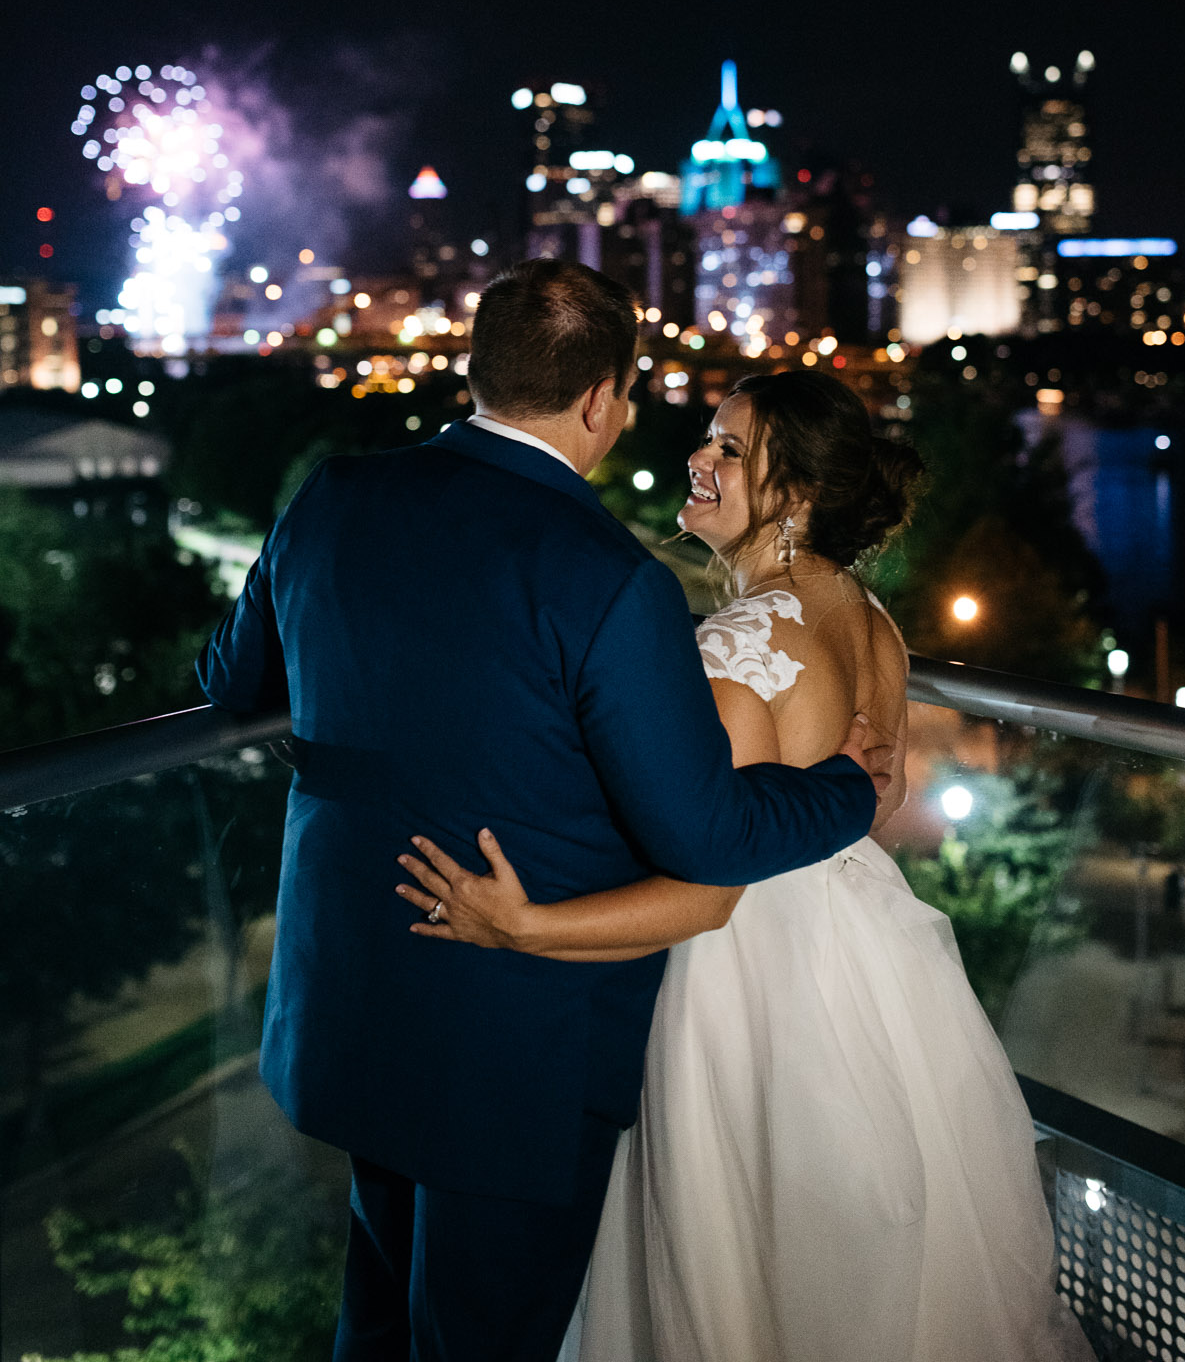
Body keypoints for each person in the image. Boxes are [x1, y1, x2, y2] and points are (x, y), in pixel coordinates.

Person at [197, 262, 881, 1362]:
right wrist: (846, 788)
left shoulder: (331, 496)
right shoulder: (610, 582)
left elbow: (232, 679)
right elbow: (702, 835)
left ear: (472, 369)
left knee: (372, 1323)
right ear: (604, 398)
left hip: (351, 997)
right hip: (514, 1053)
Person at [399, 371, 1096, 1361]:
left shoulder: (733, 649)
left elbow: (708, 888)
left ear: (797, 493)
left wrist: (521, 924)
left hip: (741, 986)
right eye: (707, 437)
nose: (699, 456)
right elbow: (877, 793)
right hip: (863, 960)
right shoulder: (867, 616)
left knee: (731, 1273)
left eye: (730, 449)